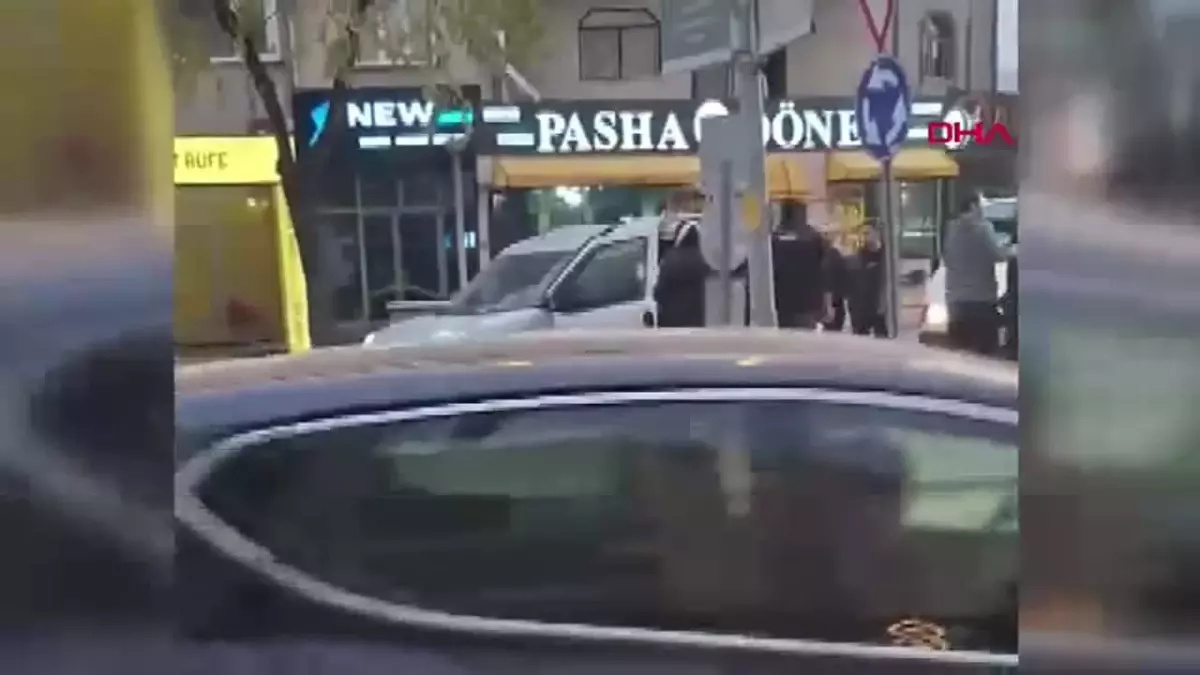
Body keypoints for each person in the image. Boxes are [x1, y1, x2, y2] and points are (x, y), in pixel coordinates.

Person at [942, 195, 1010, 355]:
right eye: (981, 205)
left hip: (956, 300)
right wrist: (1010, 249)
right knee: (985, 353)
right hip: (980, 299)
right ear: (973, 206)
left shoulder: (950, 230)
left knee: (960, 352)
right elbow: (998, 255)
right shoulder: (983, 228)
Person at [772, 203, 832, 329]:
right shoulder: (814, 238)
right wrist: (826, 305)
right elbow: (825, 273)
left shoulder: (774, 237)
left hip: (781, 303)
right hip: (807, 306)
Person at [653, 219, 709, 327]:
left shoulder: (670, 259)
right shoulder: (707, 261)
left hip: (673, 323)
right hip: (701, 323)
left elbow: (659, 292)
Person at [845, 226, 888, 337]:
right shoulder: (859, 257)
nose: (865, 237)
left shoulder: (887, 256)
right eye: (863, 234)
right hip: (861, 308)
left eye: (867, 233)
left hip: (880, 306)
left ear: (877, 233)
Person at [821, 233, 849, 332]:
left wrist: (829, 306)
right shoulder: (834, 255)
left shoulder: (829, 256)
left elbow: (828, 284)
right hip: (837, 302)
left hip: (833, 303)